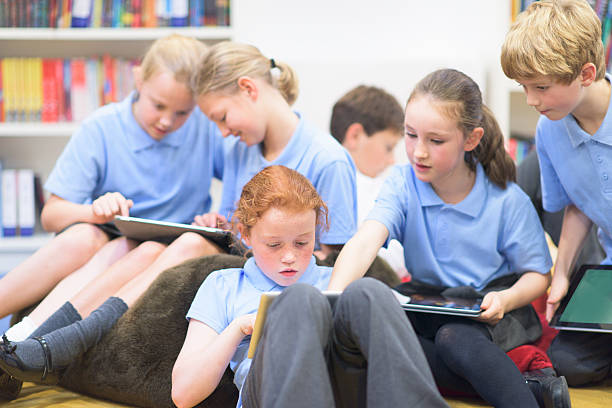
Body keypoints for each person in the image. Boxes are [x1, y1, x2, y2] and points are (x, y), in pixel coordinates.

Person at [0, 34, 225, 399]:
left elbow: (237, 193)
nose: (168, 121)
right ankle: (16, 340)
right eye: (158, 105)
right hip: (110, 237)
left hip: (167, 248)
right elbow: (52, 214)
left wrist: (216, 218)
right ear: (138, 81)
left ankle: (21, 342)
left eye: (182, 112)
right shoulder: (102, 127)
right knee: (86, 237)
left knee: (139, 249)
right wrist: (94, 209)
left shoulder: (206, 129)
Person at [327, 68, 568, 408]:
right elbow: (366, 240)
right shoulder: (401, 182)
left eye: (435, 141)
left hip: (487, 310)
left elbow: (538, 276)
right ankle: (529, 388)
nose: (418, 152)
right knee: (368, 331)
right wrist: (332, 301)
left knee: (453, 339)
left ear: (471, 139)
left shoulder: (506, 199)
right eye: (410, 135)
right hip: (426, 301)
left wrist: (505, 299)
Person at [170, 165, 449, 408]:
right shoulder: (224, 286)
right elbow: (183, 395)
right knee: (300, 299)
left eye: (302, 243)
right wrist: (240, 327)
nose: (290, 256)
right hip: (269, 394)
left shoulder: (336, 280)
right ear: (245, 235)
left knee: (369, 291)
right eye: (274, 245)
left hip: (345, 389)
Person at [501, 0, 612, 387]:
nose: (531, 100)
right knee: (567, 361)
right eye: (524, 87)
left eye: (541, 87)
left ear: (585, 73)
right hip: (609, 274)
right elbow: (577, 207)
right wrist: (561, 275)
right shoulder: (549, 132)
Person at [190, 41, 357, 257]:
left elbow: (336, 261)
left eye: (223, 118)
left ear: (248, 89)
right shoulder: (238, 151)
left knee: (191, 245)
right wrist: (220, 227)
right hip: (239, 272)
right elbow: (237, 237)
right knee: (153, 248)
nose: (223, 133)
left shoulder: (327, 160)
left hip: (289, 284)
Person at [330, 84, 408, 278]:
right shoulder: (358, 185)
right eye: (388, 147)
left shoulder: (377, 182)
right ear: (355, 135)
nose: (392, 160)